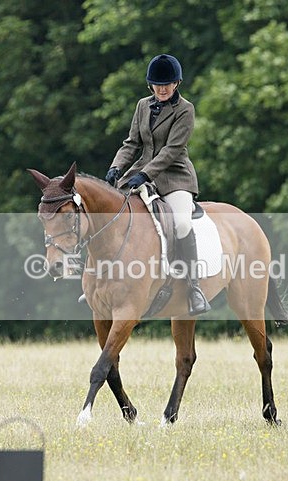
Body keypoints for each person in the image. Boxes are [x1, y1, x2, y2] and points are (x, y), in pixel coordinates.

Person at [105, 53, 210, 316]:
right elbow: (132, 143)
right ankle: (101, 282)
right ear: (150, 85)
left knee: (183, 223)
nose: (162, 89)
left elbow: (172, 150)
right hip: (140, 172)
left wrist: (146, 174)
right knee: (111, 214)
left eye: (167, 84)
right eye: (157, 84)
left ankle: (193, 286)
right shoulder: (142, 105)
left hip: (175, 176)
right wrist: (116, 167)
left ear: (177, 84)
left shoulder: (185, 109)